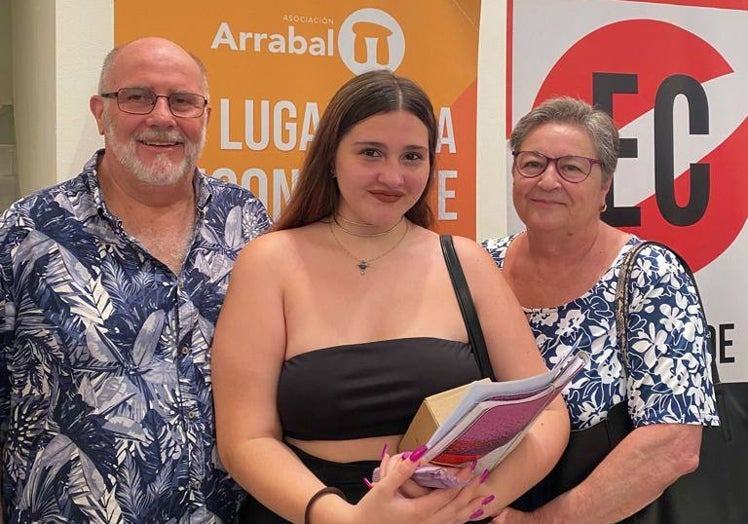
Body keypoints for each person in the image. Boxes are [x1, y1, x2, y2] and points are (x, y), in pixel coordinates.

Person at [210, 70, 570, 524]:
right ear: (331, 158)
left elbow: (547, 415)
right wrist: (346, 520)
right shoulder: (270, 263)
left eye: (413, 156)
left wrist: (470, 505)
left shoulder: (466, 263)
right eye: (371, 152)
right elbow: (246, 440)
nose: (393, 176)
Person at [0, 37, 271, 522]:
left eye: (183, 100)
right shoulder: (25, 232)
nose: (162, 118)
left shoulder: (245, 221)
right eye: (137, 97)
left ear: (205, 116)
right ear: (100, 112)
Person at [482, 97, 719, 524]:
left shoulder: (649, 273)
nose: (548, 181)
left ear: (605, 186)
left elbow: (675, 444)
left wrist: (539, 523)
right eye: (532, 163)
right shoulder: (481, 265)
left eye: (571, 167)